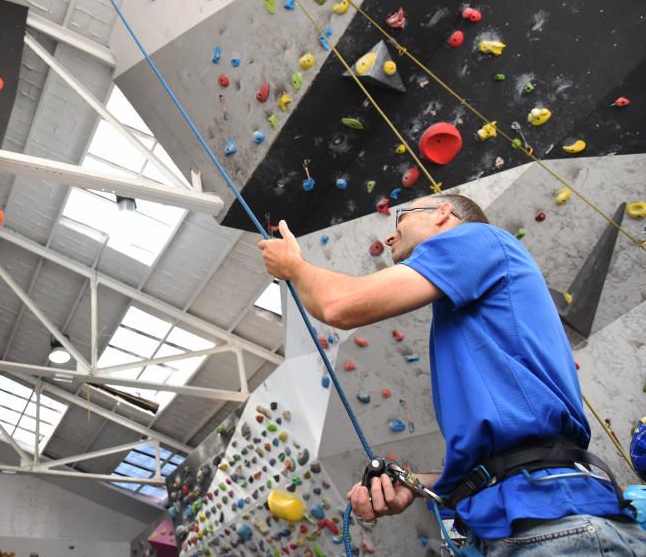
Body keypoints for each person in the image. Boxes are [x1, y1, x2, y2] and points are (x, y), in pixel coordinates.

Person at [258, 193, 646, 554]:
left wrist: (294, 267)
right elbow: (500, 460)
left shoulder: (478, 239)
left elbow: (340, 305)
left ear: (443, 213)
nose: (391, 235)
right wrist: (415, 485)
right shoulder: (474, 313)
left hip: (549, 523)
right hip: (530, 522)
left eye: (402, 217)